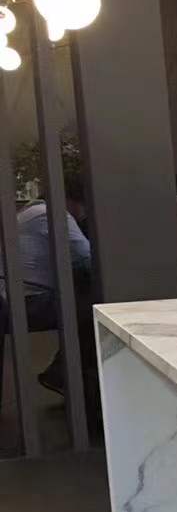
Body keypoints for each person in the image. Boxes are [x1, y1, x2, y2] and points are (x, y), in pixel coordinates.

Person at [0, 164, 96, 400]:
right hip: (25, 302)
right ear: (70, 199)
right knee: (97, 307)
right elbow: (88, 257)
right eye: (83, 207)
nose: (82, 214)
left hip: (11, 297)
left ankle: (65, 373)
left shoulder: (30, 213)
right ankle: (62, 373)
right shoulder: (52, 213)